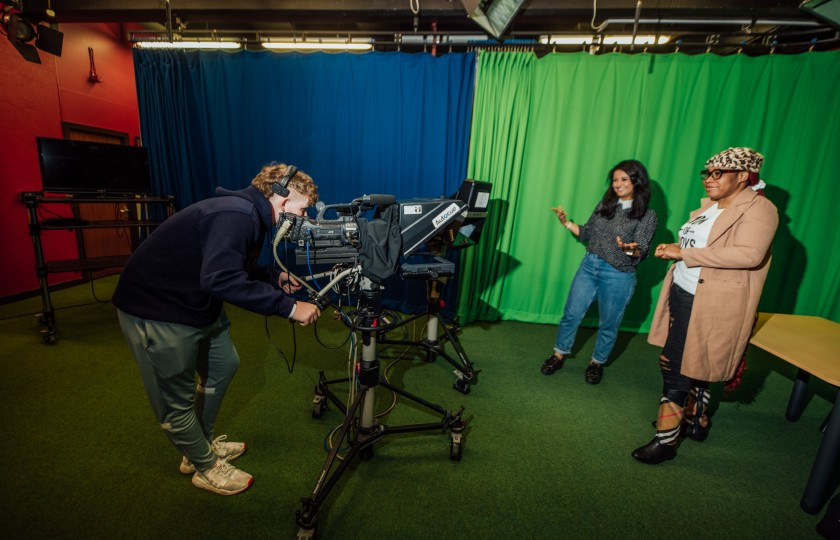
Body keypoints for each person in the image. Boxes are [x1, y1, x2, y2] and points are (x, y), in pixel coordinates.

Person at [113, 162, 321, 495]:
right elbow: (221, 278)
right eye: (302, 209)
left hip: (194, 303)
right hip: (157, 310)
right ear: (281, 198)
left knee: (225, 364)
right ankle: (203, 465)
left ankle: (200, 446)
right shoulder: (235, 215)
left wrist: (273, 278)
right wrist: (291, 308)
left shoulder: (247, 213)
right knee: (175, 402)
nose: (304, 218)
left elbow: (229, 263)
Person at [632, 147, 778, 465]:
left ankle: (666, 440)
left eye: (717, 173)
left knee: (674, 367)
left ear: (743, 176)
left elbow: (748, 255)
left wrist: (683, 254)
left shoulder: (760, 209)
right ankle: (696, 421)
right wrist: (676, 249)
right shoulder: (712, 207)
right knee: (694, 361)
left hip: (710, 302)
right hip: (685, 291)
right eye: (706, 172)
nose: (708, 179)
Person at [541, 160, 658, 384]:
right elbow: (585, 234)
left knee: (609, 323)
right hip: (589, 266)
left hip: (618, 274)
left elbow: (641, 251)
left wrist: (631, 250)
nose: (618, 184)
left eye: (624, 179)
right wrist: (566, 222)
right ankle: (558, 354)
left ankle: (597, 362)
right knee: (571, 314)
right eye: (615, 180)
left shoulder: (647, 215)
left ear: (637, 181)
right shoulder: (605, 205)